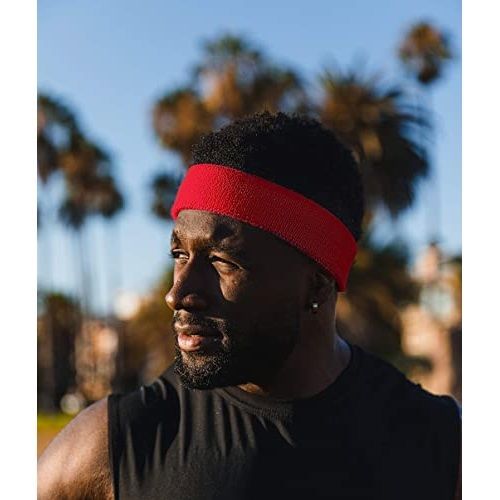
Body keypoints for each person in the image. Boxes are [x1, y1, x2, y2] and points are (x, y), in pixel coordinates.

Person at [38, 112, 461, 500]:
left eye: (222, 260)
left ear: (316, 282)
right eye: (179, 255)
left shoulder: (440, 444)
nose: (178, 294)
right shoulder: (115, 447)